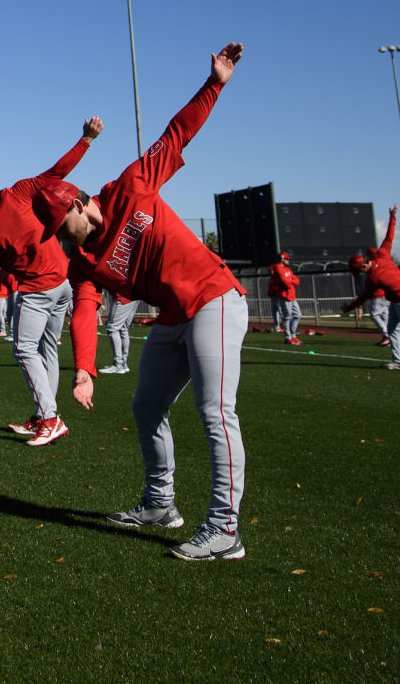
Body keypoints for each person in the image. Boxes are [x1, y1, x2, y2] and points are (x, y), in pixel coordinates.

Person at [41, 42, 248, 561]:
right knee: (146, 405)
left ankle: (225, 529)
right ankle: (161, 504)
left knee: (215, 412)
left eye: (57, 225)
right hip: (172, 317)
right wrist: (83, 368)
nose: (57, 237)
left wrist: (215, 83)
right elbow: (84, 307)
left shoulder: (132, 186)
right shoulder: (82, 261)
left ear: (79, 203)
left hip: (213, 298)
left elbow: (176, 134)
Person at [0, 114, 104, 446]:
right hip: (63, 280)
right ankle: (42, 415)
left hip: (38, 289)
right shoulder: (18, 190)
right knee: (47, 348)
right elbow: (58, 171)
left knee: (24, 350)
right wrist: (86, 140)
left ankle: (50, 419)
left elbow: (8, 267)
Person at [341, 206, 400, 371]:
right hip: (397, 301)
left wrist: (349, 307)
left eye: (358, 270)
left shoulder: (374, 273)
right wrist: (392, 217)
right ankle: (397, 362)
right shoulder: (380, 258)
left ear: (361, 267)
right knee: (392, 330)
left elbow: (363, 297)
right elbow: (389, 237)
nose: (359, 272)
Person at [99, 291, 139, 374]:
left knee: (112, 328)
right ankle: (123, 363)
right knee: (122, 328)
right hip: (133, 295)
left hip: (123, 295)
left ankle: (118, 365)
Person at [269, 252, 302, 345]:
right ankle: (288, 337)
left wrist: (290, 281)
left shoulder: (287, 269)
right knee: (287, 317)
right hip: (284, 296)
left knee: (298, 315)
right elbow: (285, 282)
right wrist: (291, 281)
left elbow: (297, 281)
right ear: (282, 259)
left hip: (292, 296)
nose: (288, 261)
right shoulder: (277, 267)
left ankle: (293, 335)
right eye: (287, 259)